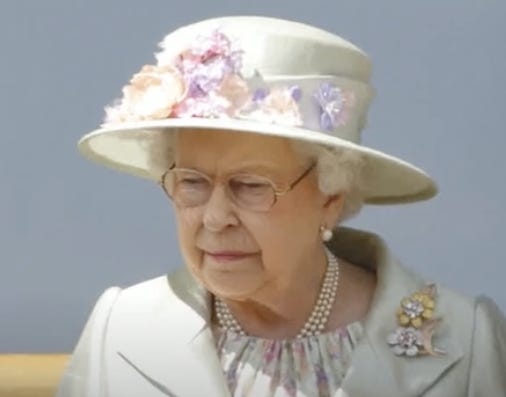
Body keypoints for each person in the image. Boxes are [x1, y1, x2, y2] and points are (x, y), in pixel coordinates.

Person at [55, 16, 506, 397]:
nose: (214, 218)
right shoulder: (120, 329)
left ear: (330, 197)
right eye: (191, 182)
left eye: (250, 186)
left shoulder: (462, 337)